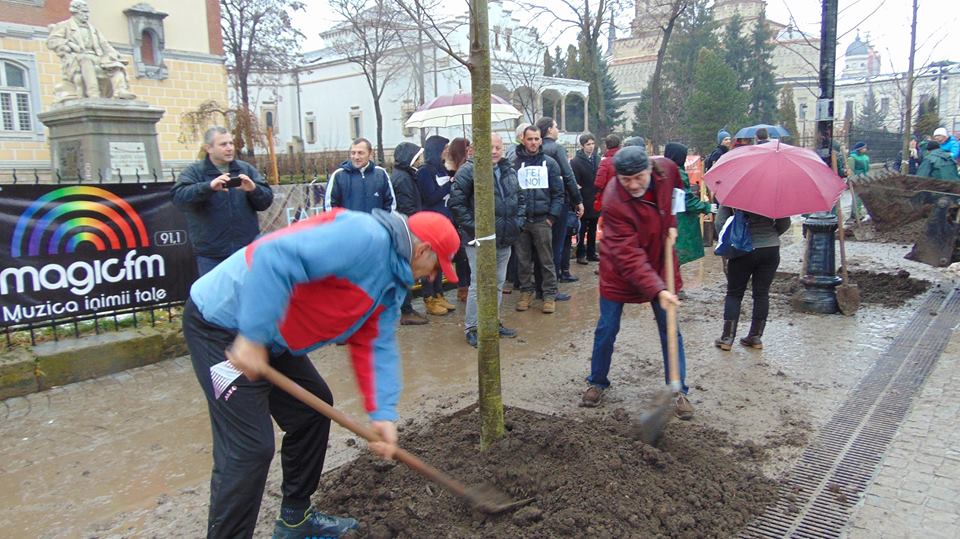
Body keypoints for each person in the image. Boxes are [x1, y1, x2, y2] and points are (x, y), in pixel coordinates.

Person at [184, 208, 460, 539]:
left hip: (271, 335)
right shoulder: (364, 237)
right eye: (436, 268)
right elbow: (272, 257)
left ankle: (295, 520)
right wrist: (253, 337)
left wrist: (383, 414)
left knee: (312, 411)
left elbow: (376, 345)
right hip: (223, 323)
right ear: (423, 250)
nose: (432, 277)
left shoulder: (392, 283)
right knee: (249, 448)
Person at [580, 148, 693, 420]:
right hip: (619, 271)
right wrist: (658, 290)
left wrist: (672, 221)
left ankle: (678, 389)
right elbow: (629, 257)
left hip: (660, 263)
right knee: (607, 328)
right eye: (625, 179)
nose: (632, 185)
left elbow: (677, 192)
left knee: (670, 329)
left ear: (649, 170)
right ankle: (597, 381)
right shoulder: (613, 200)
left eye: (638, 177)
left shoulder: (667, 170)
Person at [449, 133, 525, 346]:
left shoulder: (509, 170)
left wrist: (518, 223)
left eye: (498, 147)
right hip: (479, 240)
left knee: (498, 282)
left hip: (504, 237)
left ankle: (492, 321)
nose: (494, 151)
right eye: (489, 147)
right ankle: (472, 326)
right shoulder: (468, 171)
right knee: (479, 283)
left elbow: (520, 198)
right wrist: (476, 229)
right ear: (477, 148)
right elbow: (457, 204)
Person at [172, 126, 274, 277]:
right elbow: (179, 198)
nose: (229, 148)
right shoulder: (194, 172)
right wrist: (209, 187)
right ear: (208, 148)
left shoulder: (245, 169)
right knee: (214, 292)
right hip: (212, 254)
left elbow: (265, 202)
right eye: (223, 144)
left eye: (231, 143)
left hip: (245, 251)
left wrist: (253, 189)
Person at [713, 205, 791, 351]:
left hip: (742, 248)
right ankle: (755, 337)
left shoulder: (734, 195)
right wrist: (769, 235)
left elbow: (720, 223)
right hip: (770, 248)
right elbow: (785, 223)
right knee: (761, 293)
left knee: (734, 294)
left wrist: (729, 241)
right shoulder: (775, 196)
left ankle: (727, 338)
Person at [513, 125, 564, 314]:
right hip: (522, 221)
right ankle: (526, 292)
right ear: (523, 140)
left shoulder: (550, 163)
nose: (533, 142)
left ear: (541, 140)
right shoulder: (515, 164)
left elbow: (558, 193)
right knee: (523, 260)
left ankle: (549, 294)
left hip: (543, 219)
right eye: (530, 139)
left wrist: (551, 217)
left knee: (546, 260)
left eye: (536, 139)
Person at [47, 0, 136, 102]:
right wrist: (69, 44)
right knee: (86, 59)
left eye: (88, 12)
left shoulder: (93, 29)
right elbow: (52, 41)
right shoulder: (64, 26)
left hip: (97, 57)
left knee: (115, 64)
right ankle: (93, 94)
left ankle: (120, 90)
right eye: (84, 12)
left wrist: (114, 54)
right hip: (76, 58)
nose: (87, 15)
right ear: (75, 12)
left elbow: (104, 44)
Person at [535, 117, 584, 284]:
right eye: (556, 127)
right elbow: (568, 175)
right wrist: (577, 200)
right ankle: (553, 281)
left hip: (539, 203)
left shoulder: (535, 149)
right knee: (556, 244)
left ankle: (542, 283)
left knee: (541, 246)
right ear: (549, 129)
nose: (558, 130)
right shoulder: (557, 149)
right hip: (558, 202)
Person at [415, 135, 457, 316]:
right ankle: (429, 298)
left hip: (445, 222)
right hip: (430, 224)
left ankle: (439, 294)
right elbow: (430, 197)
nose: (447, 151)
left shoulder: (443, 169)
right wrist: (449, 185)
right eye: (444, 147)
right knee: (429, 262)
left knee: (441, 261)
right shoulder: (424, 172)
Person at [390, 141, 429, 325]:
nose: (420, 160)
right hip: (407, 231)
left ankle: (407, 308)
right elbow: (407, 208)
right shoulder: (403, 179)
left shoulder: (406, 175)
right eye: (417, 156)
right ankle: (406, 311)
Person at [664, 143, 714, 265]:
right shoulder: (678, 173)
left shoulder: (664, 170)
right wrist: (706, 207)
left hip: (667, 217)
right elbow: (686, 200)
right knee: (676, 257)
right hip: (680, 220)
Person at [325, 138, 396, 213]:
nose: (356, 157)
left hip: (376, 221)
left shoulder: (381, 174)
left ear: (370, 154)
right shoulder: (338, 175)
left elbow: (390, 204)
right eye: (353, 153)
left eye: (360, 153)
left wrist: (382, 220)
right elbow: (330, 207)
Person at [445, 138, 474, 303]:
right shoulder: (449, 170)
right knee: (461, 255)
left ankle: (468, 285)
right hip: (454, 215)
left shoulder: (468, 167)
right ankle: (463, 287)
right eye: (467, 147)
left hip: (466, 212)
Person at [571, 133, 600, 264]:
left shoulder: (597, 158)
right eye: (588, 144)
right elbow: (575, 182)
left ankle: (591, 252)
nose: (591, 146)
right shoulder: (576, 162)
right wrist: (578, 201)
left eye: (592, 143)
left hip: (595, 198)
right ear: (582, 146)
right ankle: (580, 254)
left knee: (593, 227)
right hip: (583, 199)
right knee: (581, 229)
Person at [593, 133, 622, 213]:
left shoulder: (605, 162)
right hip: (623, 197)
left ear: (606, 146)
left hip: (608, 197)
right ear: (619, 145)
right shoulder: (625, 159)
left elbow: (599, 183)